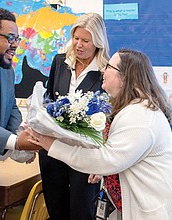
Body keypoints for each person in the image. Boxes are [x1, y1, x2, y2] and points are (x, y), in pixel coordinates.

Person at [26, 48, 172, 220]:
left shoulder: (139, 116)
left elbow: (107, 159)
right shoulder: (131, 109)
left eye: (109, 67)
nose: (103, 70)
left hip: (149, 209)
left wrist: (51, 144)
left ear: (125, 77)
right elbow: (120, 155)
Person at [38, 12, 110, 220]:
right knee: (56, 210)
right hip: (54, 151)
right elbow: (49, 100)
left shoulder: (106, 72)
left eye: (86, 40)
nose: (79, 45)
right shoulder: (60, 62)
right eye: (76, 38)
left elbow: (108, 119)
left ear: (97, 42)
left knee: (82, 213)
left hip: (86, 156)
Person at [0, 7, 40, 212]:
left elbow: (10, 107)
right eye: (10, 38)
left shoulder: (7, 70)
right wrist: (16, 142)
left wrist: (24, 137)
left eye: (17, 38)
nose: (15, 44)